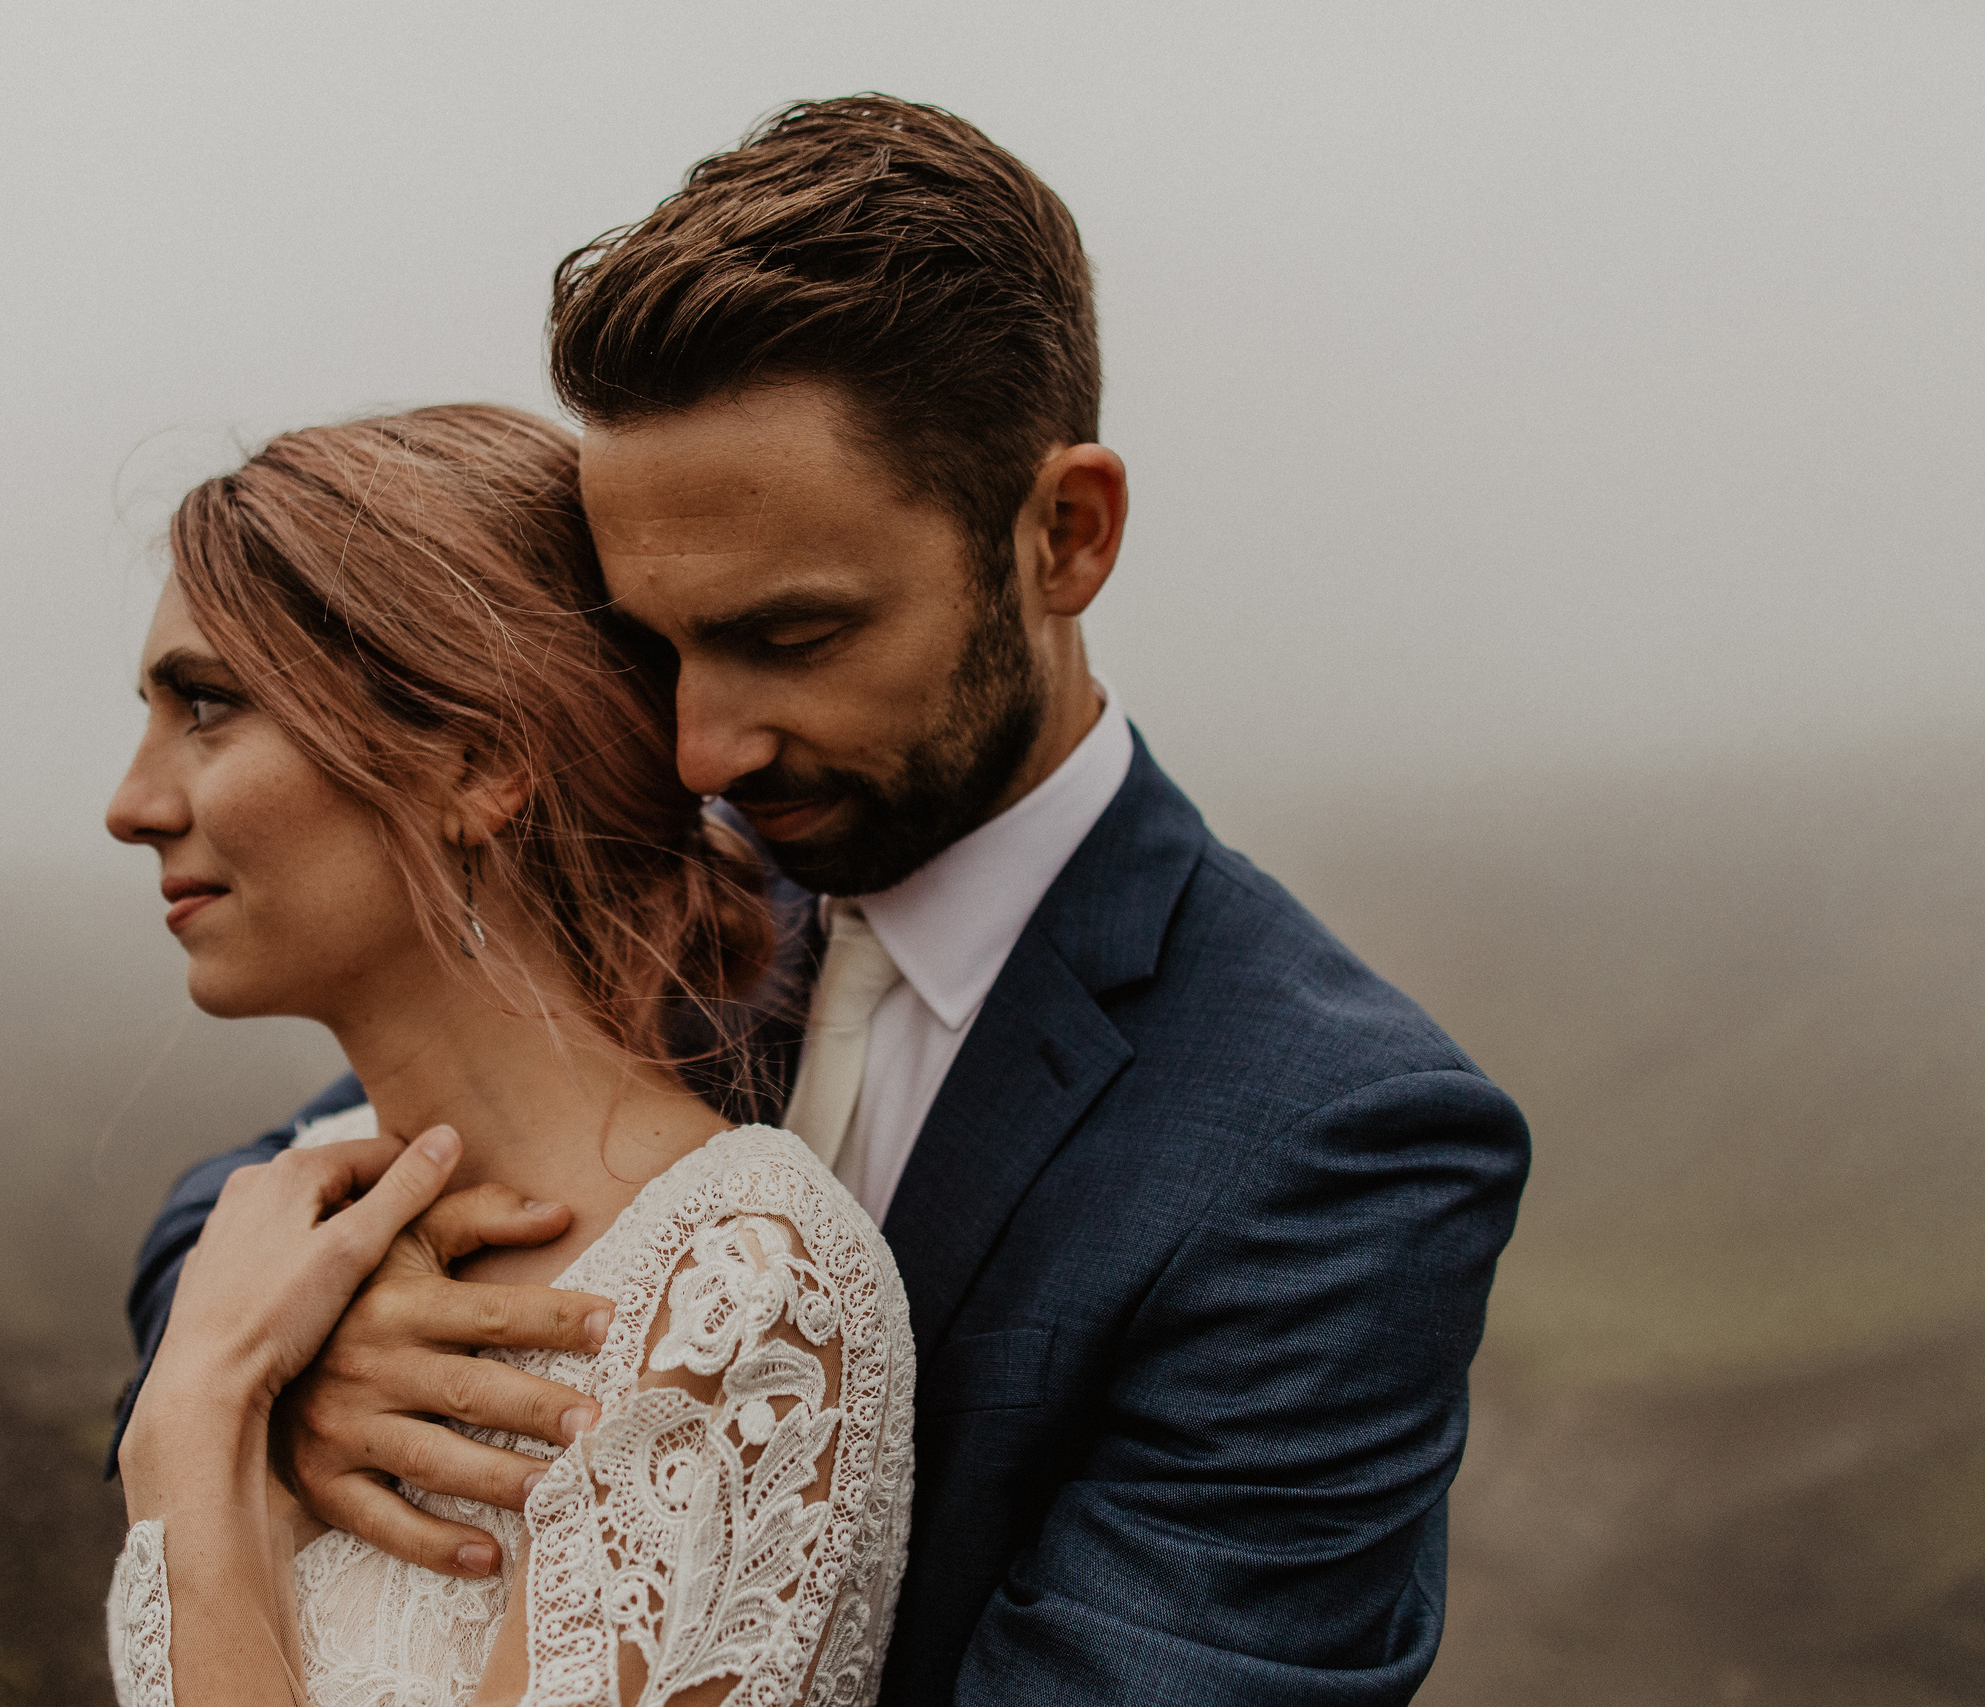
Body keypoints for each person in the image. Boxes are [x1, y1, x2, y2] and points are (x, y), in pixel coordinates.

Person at [120, 97, 1531, 1705]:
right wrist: (315, 1366)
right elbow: (265, 1190)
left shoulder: (1335, 1146)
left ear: (1065, 536)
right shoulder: (665, 899)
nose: (701, 746)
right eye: (658, 649)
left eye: (790, 639)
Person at [100, 404, 917, 1706]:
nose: (130, 805)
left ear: (475, 763)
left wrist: (192, 1440)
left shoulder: (734, 1284)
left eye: (207, 705)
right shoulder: (284, 1224)